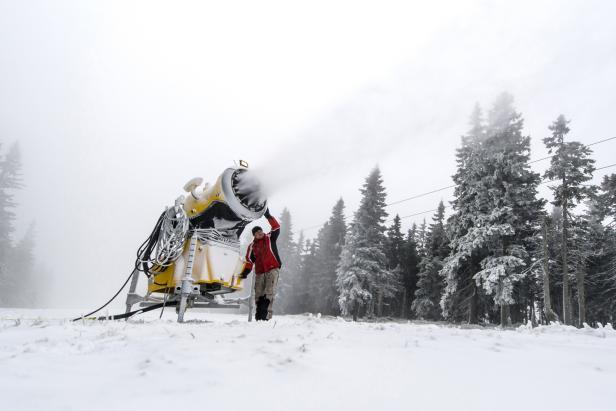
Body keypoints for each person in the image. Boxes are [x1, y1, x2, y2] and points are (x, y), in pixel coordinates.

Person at [239, 208, 281, 321]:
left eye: (261, 231)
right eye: (257, 232)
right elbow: (249, 261)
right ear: (254, 235)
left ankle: (266, 318)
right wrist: (245, 272)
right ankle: (259, 317)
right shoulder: (252, 246)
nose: (260, 233)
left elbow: (276, 227)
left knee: (269, 292)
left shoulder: (270, 238)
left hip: (272, 269)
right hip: (260, 272)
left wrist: (268, 216)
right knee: (258, 294)